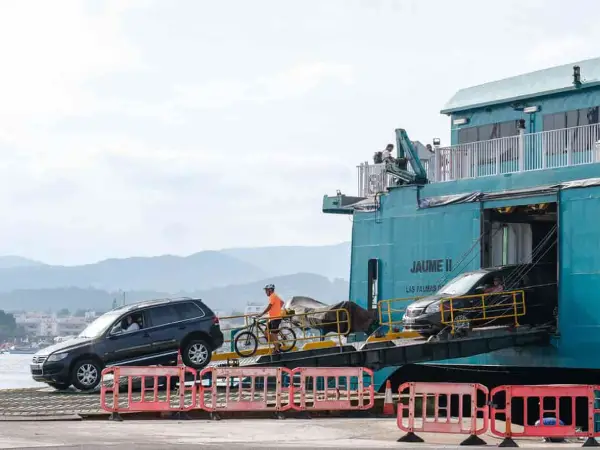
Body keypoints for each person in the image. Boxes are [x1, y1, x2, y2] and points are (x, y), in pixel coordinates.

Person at [257, 284, 284, 354]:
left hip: (276, 318)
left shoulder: (273, 296)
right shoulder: (275, 296)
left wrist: (262, 314)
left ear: (270, 290)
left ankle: (277, 350)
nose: (265, 292)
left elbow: (269, 306)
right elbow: (282, 302)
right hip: (271, 318)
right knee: (266, 332)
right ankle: (277, 344)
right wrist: (277, 308)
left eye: (266, 290)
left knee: (273, 334)